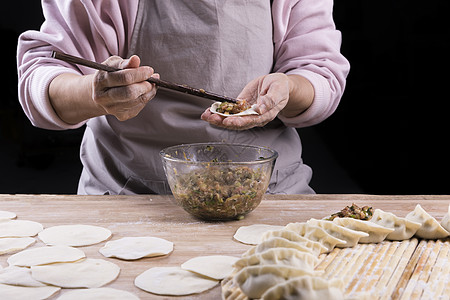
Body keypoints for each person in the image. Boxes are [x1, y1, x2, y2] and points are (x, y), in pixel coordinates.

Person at [17, 0, 350, 195]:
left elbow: (320, 74)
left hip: (269, 194)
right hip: (129, 195)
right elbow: (40, 77)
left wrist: (287, 90)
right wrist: (97, 92)